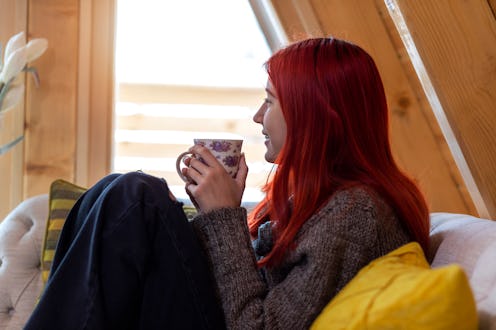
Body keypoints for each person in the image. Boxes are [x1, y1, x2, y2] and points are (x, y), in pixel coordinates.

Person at [25, 37, 430, 330]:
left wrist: (222, 217)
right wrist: (208, 212)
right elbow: (244, 282)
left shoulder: (356, 214)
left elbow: (259, 325)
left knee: (137, 197)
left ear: (315, 115)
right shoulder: (323, 202)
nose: (257, 116)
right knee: (121, 193)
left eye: (270, 101)